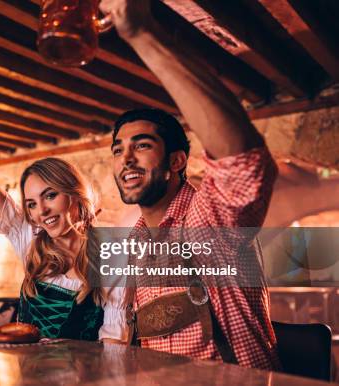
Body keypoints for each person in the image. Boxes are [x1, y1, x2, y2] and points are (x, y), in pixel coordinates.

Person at [100, 0, 280, 369]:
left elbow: (244, 162)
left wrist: (141, 32)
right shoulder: (136, 241)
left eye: (142, 145)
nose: (126, 159)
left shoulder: (203, 221)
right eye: (118, 150)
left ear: (177, 162)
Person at [0, 65, 129, 343]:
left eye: (50, 196)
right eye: (31, 203)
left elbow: (114, 341)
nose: (40, 212)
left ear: (74, 194)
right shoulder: (30, 238)